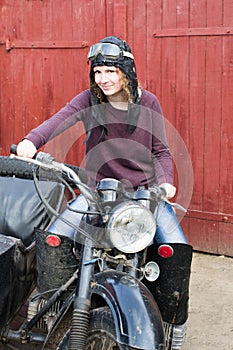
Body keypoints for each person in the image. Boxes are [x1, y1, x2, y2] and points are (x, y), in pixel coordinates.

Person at [15, 36, 192, 349]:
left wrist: (165, 183)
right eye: (97, 72)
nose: (103, 79)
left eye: (110, 71)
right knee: (55, 236)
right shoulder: (89, 100)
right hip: (97, 189)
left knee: (176, 248)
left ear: (126, 71)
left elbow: (162, 150)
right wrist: (32, 141)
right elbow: (58, 120)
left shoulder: (148, 102)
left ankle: (173, 321)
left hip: (143, 193)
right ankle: (49, 305)